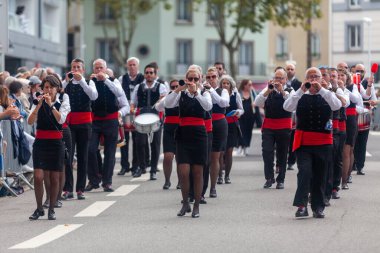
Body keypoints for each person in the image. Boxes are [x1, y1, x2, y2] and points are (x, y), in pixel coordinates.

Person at [284, 67, 342, 219]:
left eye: (316, 76)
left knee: (320, 175)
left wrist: (322, 89)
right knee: (305, 172)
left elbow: (337, 106)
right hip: (304, 142)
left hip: (323, 142)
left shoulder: (328, 93)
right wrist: (301, 90)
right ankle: (302, 206)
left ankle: (318, 207)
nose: (314, 79)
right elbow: (287, 107)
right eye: (310, 76)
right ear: (306, 78)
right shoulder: (299, 93)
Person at [165, 67, 212, 218]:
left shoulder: (204, 92)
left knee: (198, 172)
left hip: (199, 134)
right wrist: (179, 89)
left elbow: (208, 106)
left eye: (195, 79)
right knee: (183, 171)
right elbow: (168, 103)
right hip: (184, 133)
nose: (192, 82)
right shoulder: (181, 93)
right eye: (190, 79)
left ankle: (197, 205)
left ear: (200, 80)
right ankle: (185, 202)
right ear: (186, 79)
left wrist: (196, 92)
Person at [28, 75, 70, 220]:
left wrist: (51, 104)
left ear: (57, 89)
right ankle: (39, 208)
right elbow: (29, 121)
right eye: (46, 87)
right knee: (38, 177)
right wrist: (38, 106)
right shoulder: (37, 99)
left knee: (54, 178)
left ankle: (51, 208)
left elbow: (61, 119)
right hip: (40, 142)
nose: (49, 90)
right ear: (43, 88)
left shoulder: (63, 100)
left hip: (56, 143)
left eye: (52, 88)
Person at [86, 59, 128, 192]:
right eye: (96, 68)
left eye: (101, 68)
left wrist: (106, 80)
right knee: (91, 149)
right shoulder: (90, 82)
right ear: (93, 70)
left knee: (110, 152)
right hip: (95, 120)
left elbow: (119, 93)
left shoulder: (113, 81)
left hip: (111, 120)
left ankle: (107, 182)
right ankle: (94, 179)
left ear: (105, 69)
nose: (99, 71)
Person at [62, 58, 98, 200]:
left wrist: (81, 80)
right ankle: (68, 188)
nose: (76, 69)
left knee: (83, 156)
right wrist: (65, 81)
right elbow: (59, 94)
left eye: (78, 67)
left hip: (84, 123)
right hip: (70, 124)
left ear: (82, 70)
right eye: (74, 67)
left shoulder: (89, 82)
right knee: (68, 157)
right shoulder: (67, 83)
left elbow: (93, 96)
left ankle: (80, 189)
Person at [255, 69, 293, 189]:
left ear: (285, 79)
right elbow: (257, 102)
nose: (278, 80)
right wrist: (267, 91)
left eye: (281, 78)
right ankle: (269, 178)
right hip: (269, 126)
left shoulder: (290, 91)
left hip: (284, 126)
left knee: (282, 153)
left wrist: (282, 92)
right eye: (276, 78)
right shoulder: (268, 89)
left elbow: (292, 105)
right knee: (267, 152)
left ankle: (280, 179)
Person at [130, 64, 167, 180]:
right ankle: (142, 167)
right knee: (139, 143)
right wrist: (132, 108)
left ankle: (153, 170)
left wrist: (162, 100)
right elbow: (133, 102)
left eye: (151, 73)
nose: (149, 75)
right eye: (147, 72)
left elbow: (165, 101)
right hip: (141, 117)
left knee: (155, 144)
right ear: (144, 74)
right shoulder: (138, 87)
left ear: (155, 74)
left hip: (155, 117)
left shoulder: (161, 86)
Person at [203, 67, 229, 197]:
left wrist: (211, 90)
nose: (211, 79)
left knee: (215, 157)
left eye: (213, 77)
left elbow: (224, 102)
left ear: (218, 78)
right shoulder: (201, 90)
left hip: (219, 124)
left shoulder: (222, 90)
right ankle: (200, 187)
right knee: (204, 158)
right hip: (204, 123)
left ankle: (213, 187)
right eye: (208, 77)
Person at [117, 57, 144, 176]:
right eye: (130, 65)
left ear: (138, 66)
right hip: (125, 111)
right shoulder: (122, 79)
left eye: (134, 65)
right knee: (123, 140)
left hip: (137, 111)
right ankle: (124, 165)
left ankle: (136, 165)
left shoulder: (143, 78)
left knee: (137, 139)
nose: (132, 67)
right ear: (127, 66)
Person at [155, 80, 180, 189]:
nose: (175, 88)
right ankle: (167, 180)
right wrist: (162, 100)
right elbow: (158, 107)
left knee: (180, 157)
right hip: (169, 128)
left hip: (181, 128)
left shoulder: (183, 96)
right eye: (172, 86)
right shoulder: (168, 97)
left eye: (177, 86)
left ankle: (181, 180)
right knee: (168, 157)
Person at [339, 67, 361, 190]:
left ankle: (345, 180)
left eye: (343, 76)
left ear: (347, 77)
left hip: (350, 119)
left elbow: (356, 99)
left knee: (347, 150)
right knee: (339, 151)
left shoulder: (353, 87)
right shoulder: (333, 87)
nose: (341, 78)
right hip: (338, 118)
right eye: (339, 75)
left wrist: (343, 88)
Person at [353, 64, 377, 175]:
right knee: (351, 142)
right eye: (357, 70)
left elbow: (370, 97)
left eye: (361, 71)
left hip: (364, 117)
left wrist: (373, 103)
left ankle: (360, 166)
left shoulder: (367, 83)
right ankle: (351, 165)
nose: (359, 73)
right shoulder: (351, 82)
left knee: (362, 143)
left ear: (365, 72)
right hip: (352, 116)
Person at [221, 75, 244, 184]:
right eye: (223, 83)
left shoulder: (236, 95)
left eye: (227, 83)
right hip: (221, 125)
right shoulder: (218, 94)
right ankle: (219, 174)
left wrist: (238, 112)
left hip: (232, 125)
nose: (225, 85)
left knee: (229, 151)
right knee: (221, 151)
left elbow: (241, 109)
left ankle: (227, 176)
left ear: (231, 85)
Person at [285, 63, 302, 170]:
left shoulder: (299, 84)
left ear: (294, 71)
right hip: (285, 112)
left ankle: (291, 160)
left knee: (293, 138)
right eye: (288, 69)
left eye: (292, 69)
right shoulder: (282, 83)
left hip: (295, 114)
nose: (290, 70)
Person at [237, 80, 255, 156]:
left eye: (251, 84)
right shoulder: (239, 93)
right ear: (244, 85)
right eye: (249, 84)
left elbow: (257, 100)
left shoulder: (252, 92)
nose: (251, 86)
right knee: (241, 131)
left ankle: (246, 146)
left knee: (248, 131)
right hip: (241, 116)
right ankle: (240, 146)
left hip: (250, 115)